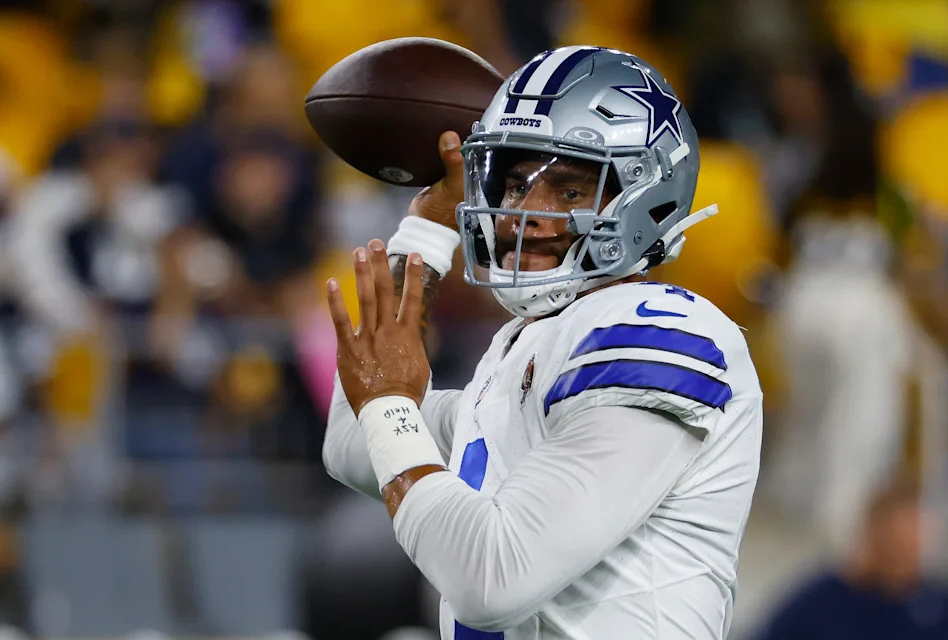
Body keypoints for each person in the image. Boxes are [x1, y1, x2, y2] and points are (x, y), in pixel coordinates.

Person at [323, 46, 763, 639]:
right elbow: (356, 441)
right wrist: (425, 233)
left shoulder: (659, 331)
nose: (521, 214)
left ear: (647, 195)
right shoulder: (523, 349)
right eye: (512, 183)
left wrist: (391, 404)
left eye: (570, 190)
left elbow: (490, 582)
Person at [753, 479, 948, 639]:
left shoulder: (935, 607)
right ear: (874, 533)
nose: (909, 550)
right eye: (899, 540)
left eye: (916, 538)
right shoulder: (821, 602)